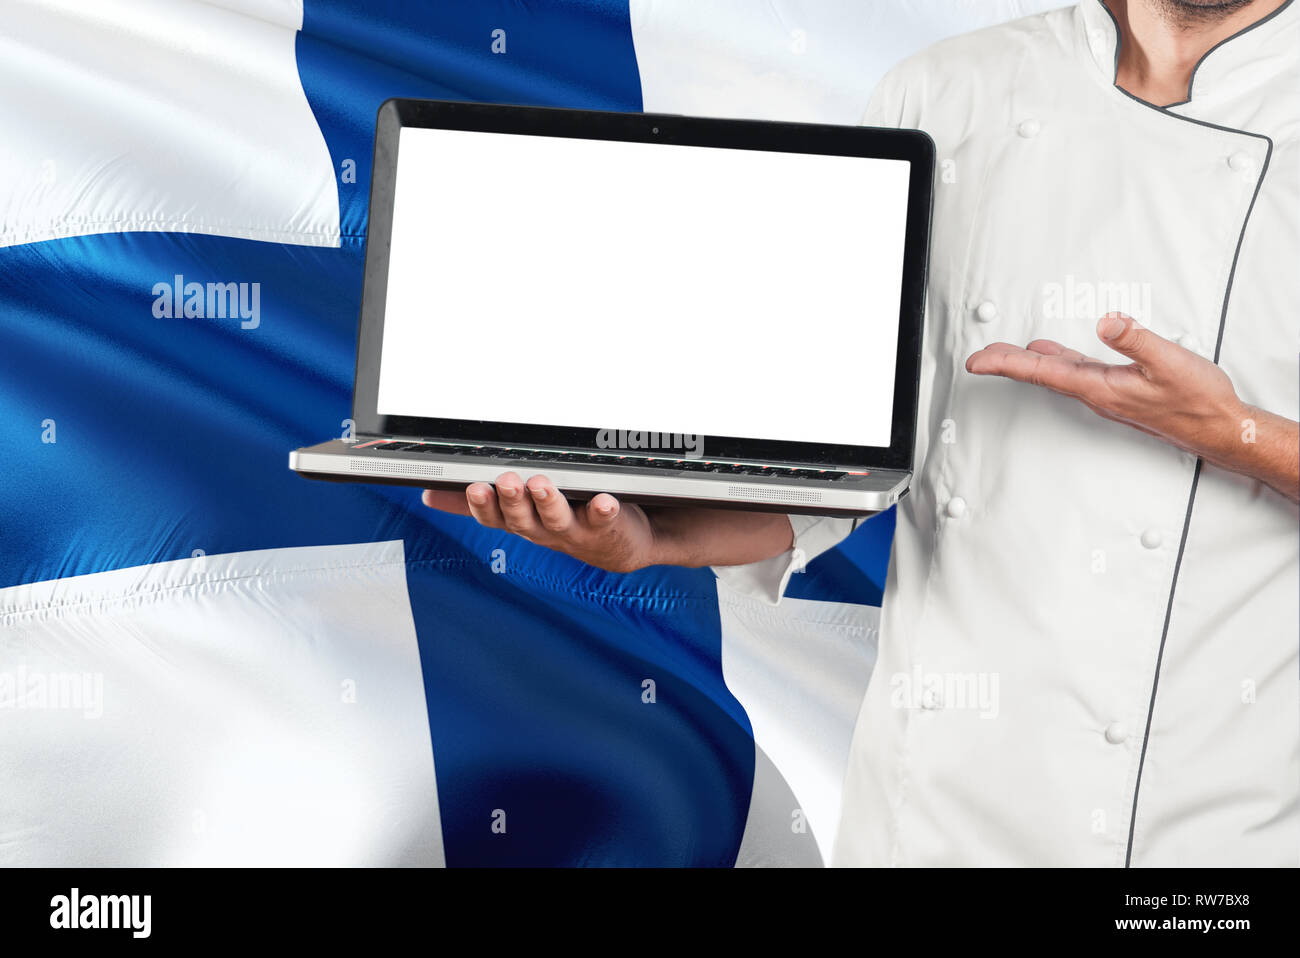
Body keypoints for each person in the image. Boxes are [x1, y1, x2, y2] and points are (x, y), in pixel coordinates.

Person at [424, 0, 1300, 866]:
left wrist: (1237, 435)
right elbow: (859, 459)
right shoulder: (948, 92)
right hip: (936, 814)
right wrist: (658, 536)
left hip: (1216, 827)